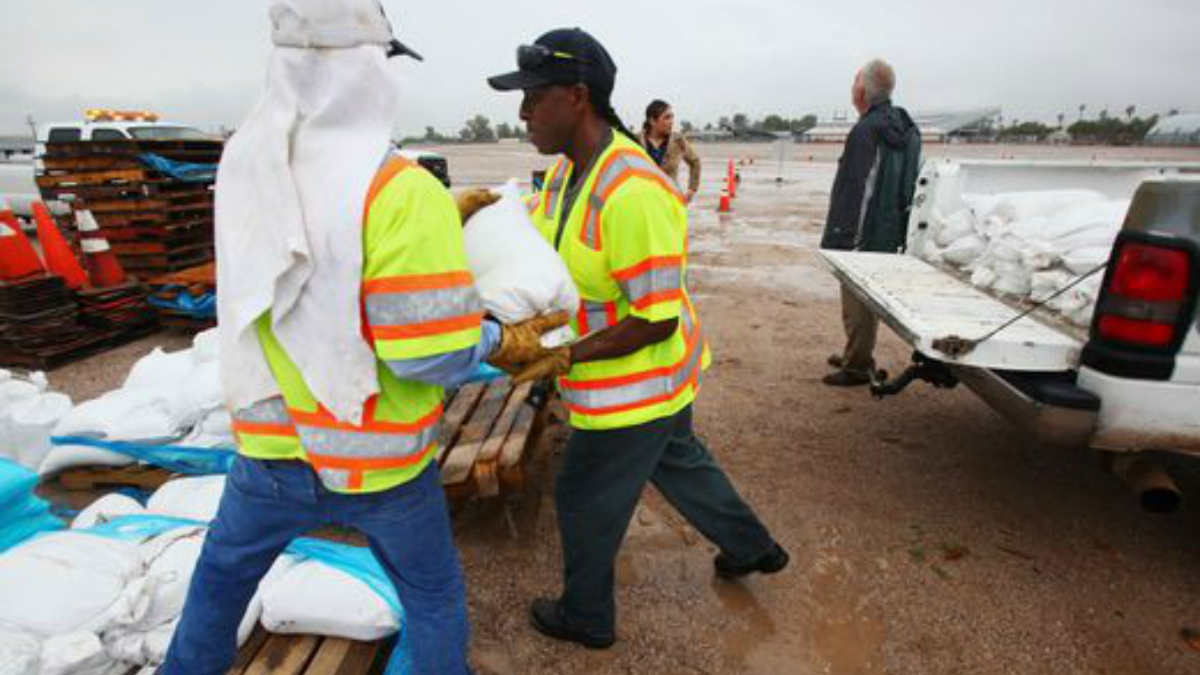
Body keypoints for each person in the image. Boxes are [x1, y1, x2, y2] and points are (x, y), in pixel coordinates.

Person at [160, 2, 564, 674]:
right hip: (379, 460)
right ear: (366, 70)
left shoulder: (244, 163)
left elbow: (298, 267)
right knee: (431, 595)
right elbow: (424, 348)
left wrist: (440, 223)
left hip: (270, 448)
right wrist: (499, 338)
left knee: (219, 582)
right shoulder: (399, 188)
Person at [487, 28, 788, 650]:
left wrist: (561, 356)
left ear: (576, 96)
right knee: (680, 462)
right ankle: (752, 547)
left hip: (633, 386)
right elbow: (548, 246)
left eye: (533, 97)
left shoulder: (634, 191)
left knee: (581, 494)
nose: (521, 113)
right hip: (653, 380)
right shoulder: (572, 173)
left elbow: (655, 318)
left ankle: (586, 615)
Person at [820, 59, 922, 387]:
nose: (852, 88)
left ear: (862, 90)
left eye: (854, 82)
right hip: (890, 227)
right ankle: (856, 352)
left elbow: (858, 188)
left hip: (863, 230)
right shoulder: (905, 126)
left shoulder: (866, 130)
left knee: (857, 300)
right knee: (866, 299)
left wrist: (843, 236)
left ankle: (857, 365)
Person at [637, 100, 701, 202]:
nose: (671, 121)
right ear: (652, 121)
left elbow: (695, 161)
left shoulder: (678, 140)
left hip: (671, 200)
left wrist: (692, 188)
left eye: (672, 117)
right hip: (642, 201)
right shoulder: (636, 141)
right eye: (667, 117)